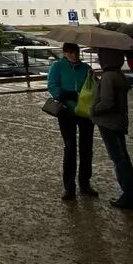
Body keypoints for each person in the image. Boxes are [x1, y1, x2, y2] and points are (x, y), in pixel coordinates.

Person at [90, 48, 133, 211]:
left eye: (101, 56)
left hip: (108, 123)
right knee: (123, 157)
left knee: (119, 159)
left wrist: (93, 110)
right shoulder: (119, 75)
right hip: (119, 122)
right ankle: (132, 195)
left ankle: (129, 196)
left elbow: (107, 102)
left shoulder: (108, 77)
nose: (99, 58)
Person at [46, 42, 98, 201]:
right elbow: (52, 86)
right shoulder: (57, 66)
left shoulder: (85, 68)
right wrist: (65, 94)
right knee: (70, 148)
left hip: (84, 112)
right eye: (70, 52)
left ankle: (85, 182)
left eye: (75, 52)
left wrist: (94, 79)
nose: (74, 55)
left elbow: (93, 87)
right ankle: (69, 187)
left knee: (86, 147)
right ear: (65, 53)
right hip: (66, 111)